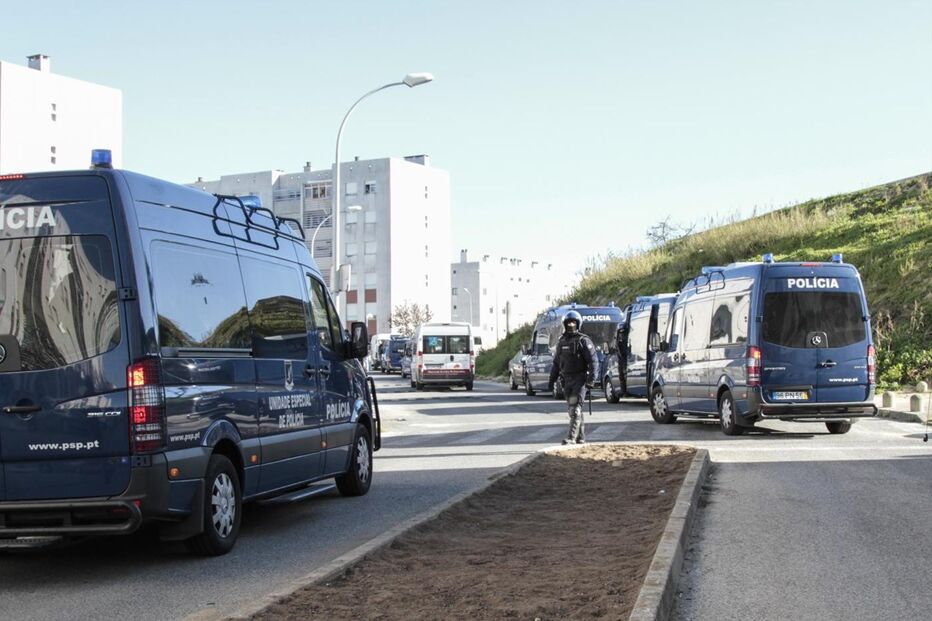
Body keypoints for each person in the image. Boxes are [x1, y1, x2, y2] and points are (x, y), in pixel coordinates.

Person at [549, 310, 597, 445]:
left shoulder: (583, 340)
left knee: (575, 409)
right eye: (568, 323)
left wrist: (591, 380)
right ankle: (581, 437)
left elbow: (593, 361)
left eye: (573, 322)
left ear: (578, 324)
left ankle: (571, 437)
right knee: (573, 410)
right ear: (564, 324)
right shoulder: (561, 341)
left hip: (580, 380)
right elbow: (556, 363)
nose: (571, 325)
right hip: (566, 380)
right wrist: (551, 379)